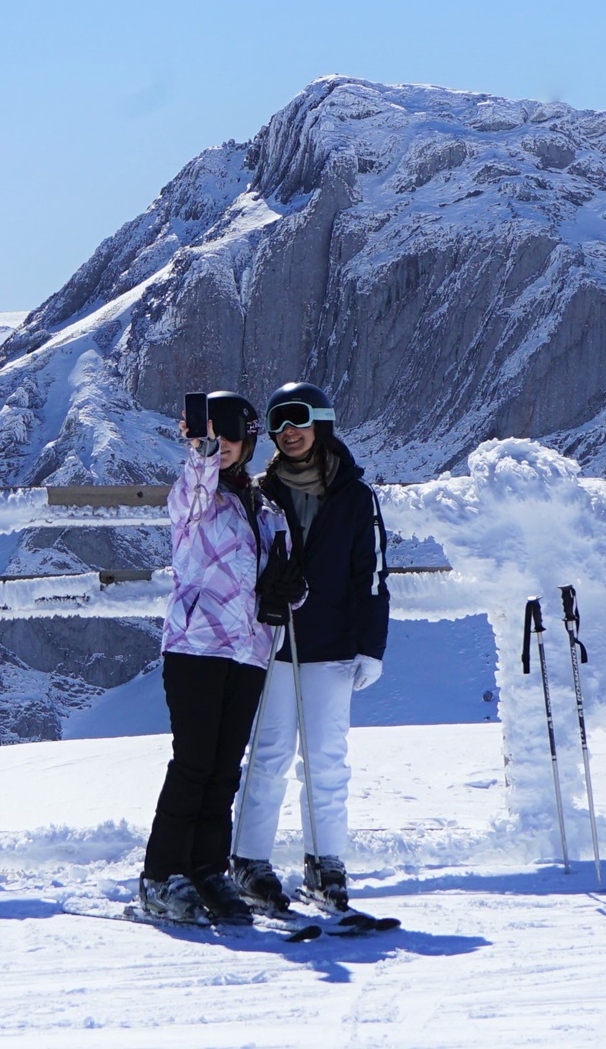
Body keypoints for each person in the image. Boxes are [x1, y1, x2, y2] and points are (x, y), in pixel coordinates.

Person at [138, 390, 299, 925]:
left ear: (249, 441)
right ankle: (160, 875)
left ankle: (207, 869)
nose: (223, 444)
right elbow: (197, 484)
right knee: (193, 764)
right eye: (215, 435)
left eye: (232, 435)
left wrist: (290, 591)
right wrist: (201, 450)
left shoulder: (266, 508)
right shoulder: (195, 494)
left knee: (225, 769)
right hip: (197, 645)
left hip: (249, 650)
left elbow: (281, 576)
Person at [230, 381, 389, 915]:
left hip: (332, 644)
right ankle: (249, 862)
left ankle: (325, 864)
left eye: (297, 418)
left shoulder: (355, 496)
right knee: (268, 754)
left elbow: (372, 574)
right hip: (273, 642)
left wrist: (370, 646)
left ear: (321, 423)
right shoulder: (259, 493)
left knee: (326, 758)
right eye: (278, 423)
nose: (288, 431)